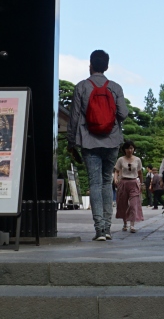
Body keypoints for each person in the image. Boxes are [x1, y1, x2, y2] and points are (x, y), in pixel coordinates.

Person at [66, 49, 129, 242]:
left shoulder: (82, 87)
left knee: (94, 183)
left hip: (89, 140)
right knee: (106, 181)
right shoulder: (115, 87)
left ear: (90, 65)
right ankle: (108, 228)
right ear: (107, 66)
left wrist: (71, 142)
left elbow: (74, 117)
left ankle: (99, 229)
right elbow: (123, 113)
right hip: (112, 140)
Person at [114, 141, 145, 232]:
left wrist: (141, 184)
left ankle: (132, 225)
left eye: (131, 148)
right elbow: (116, 170)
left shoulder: (137, 159)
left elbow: (140, 173)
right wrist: (115, 179)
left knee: (133, 204)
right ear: (124, 149)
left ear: (134, 149)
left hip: (134, 182)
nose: (130, 150)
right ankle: (125, 223)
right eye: (127, 148)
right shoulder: (121, 159)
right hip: (123, 182)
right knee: (123, 204)